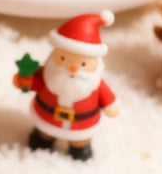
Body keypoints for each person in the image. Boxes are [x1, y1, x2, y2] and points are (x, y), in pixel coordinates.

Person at [12, 11, 120, 161]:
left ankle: (80, 148)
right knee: (43, 134)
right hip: (47, 118)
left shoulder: (94, 83)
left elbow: (109, 100)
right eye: (63, 58)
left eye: (82, 64)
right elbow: (35, 82)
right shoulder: (48, 75)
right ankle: (43, 139)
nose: (72, 68)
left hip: (82, 125)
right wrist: (24, 80)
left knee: (80, 140)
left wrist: (111, 105)